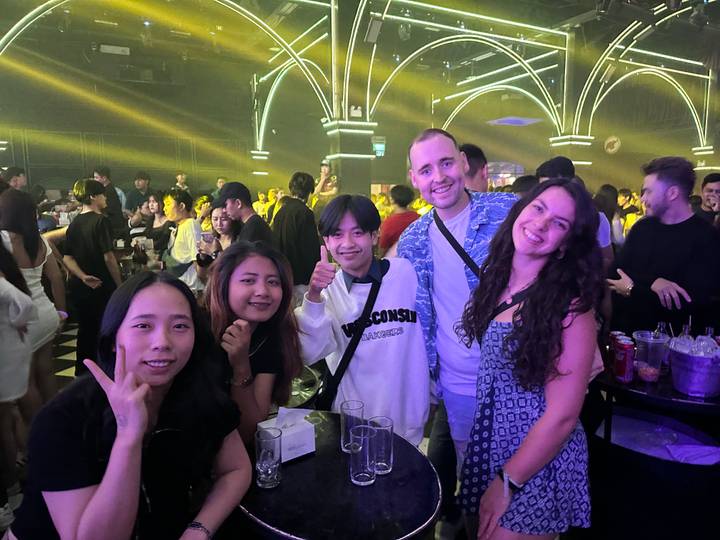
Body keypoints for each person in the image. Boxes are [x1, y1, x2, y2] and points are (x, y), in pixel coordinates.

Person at [8, 271, 251, 539]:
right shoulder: (64, 418)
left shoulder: (197, 390)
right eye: (143, 326)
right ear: (114, 338)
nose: (162, 342)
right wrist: (128, 434)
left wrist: (198, 530)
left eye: (180, 326)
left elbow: (236, 469)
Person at [458, 178, 600, 539]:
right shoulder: (497, 280)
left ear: (566, 244)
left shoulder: (570, 307)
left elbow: (563, 414)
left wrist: (508, 481)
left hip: (536, 459)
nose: (540, 224)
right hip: (491, 444)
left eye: (559, 223)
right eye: (538, 208)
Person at [398, 128, 516, 532]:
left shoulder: (508, 212)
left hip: (521, 375)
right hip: (460, 383)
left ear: (463, 163)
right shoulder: (413, 239)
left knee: (525, 479)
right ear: (414, 178)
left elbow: (564, 260)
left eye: (446, 163)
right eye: (426, 170)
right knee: (478, 486)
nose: (439, 177)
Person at [296, 195, 430, 444]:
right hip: (354, 424)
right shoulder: (327, 292)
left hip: (407, 422)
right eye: (337, 234)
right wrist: (313, 295)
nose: (347, 243)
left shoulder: (406, 273)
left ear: (374, 236)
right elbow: (308, 352)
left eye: (357, 233)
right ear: (326, 241)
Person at [608, 157, 720, 335]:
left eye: (648, 192)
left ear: (672, 193)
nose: (643, 199)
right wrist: (653, 283)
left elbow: (687, 300)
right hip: (626, 339)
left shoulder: (706, 237)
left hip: (675, 343)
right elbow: (615, 274)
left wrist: (633, 288)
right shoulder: (642, 228)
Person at [204, 241, 302, 443]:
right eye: (248, 280)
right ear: (224, 283)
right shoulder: (198, 331)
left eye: (273, 282)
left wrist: (241, 366)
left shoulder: (271, 336)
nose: (263, 291)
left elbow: (250, 429)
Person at [0, 190, 66, 411]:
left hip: (21, 320)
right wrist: (62, 313)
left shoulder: (3, 239)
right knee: (46, 371)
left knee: (27, 383)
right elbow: (57, 279)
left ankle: (36, 427)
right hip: (46, 314)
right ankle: (55, 420)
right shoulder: (39, 241)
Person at [63, 179, 122, 375]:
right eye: (102, 194)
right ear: (93, 197)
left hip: (81, 287)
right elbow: (108, 257)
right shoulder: (101, 221)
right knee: (105, 329)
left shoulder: (74, 224)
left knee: (85, 330)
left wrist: (83, 276)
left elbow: (67, 258)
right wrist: (119, 284)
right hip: (101, 284)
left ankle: (82, 374)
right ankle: (105, 372)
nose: (105, 198)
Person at [0, 242, 35, 530]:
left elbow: (25, 304)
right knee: (8, 418)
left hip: (6, 359)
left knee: (4, 424)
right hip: (10, 354)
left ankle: (10, 491)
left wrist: (16, 320)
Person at [271, 172, 320, 301]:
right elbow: (310, 248)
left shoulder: (280, 212)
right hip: (301, 279)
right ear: (310, 191)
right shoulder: (305, 213)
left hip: (282, 276)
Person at [163, 189, 201, 291]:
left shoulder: (190, 224)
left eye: (168, 204)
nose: (164, 209)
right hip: (179, 287)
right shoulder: (178, 228)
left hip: (191, 288)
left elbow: (197, 258)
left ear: (181, 206)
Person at [196, 207, 240, 281]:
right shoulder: (211, 240)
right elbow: (201, 275)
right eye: (215, 219)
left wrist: (215, 253)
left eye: (224, 219)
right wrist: (202, 257)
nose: (219, 224)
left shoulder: (239, 240)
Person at [378, 184, 419, 257]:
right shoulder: (418, 218)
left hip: (395, 260)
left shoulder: (389, 223)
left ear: (392, 199)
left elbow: (382, 249)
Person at [93, 166, 127, 240]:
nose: (94, 180)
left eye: (96, 177)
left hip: (113, 227)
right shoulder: (106, 190)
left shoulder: (109, 192)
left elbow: (108, 210)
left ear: (104, 178)